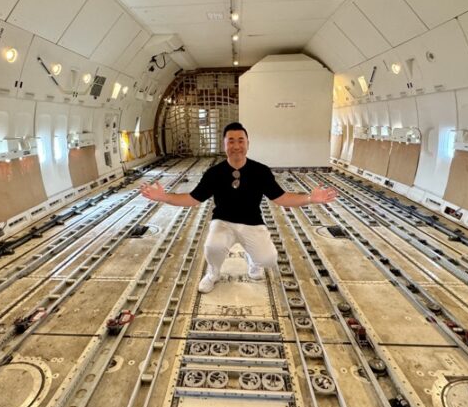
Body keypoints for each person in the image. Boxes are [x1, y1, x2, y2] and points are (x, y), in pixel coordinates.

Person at [140, 122, 338, 293]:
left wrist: (311, 198)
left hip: (252, 223)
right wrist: (164, 197)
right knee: (212, 247)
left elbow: (282, 198)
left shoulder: (260, 171)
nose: (236, 146)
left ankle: (254, 260)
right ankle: (213, 273)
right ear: (224, 144)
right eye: (231, 141)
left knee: (269, 259)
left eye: (240, 140)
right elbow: (193, 199)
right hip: (223, 222)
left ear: (248, 144)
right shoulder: (214, 173)